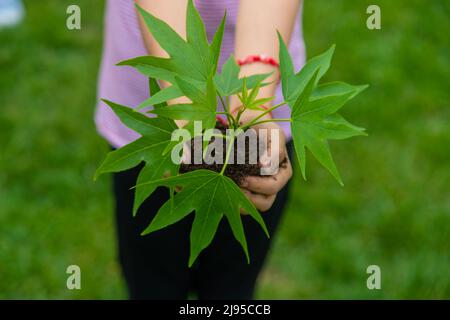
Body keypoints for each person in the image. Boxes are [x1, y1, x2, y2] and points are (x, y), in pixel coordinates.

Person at [95, 0, 305, 299]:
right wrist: (187, 113)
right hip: (154, 111)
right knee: (152, 283)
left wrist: (253, 104)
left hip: (266, 80)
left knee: (233, 288)